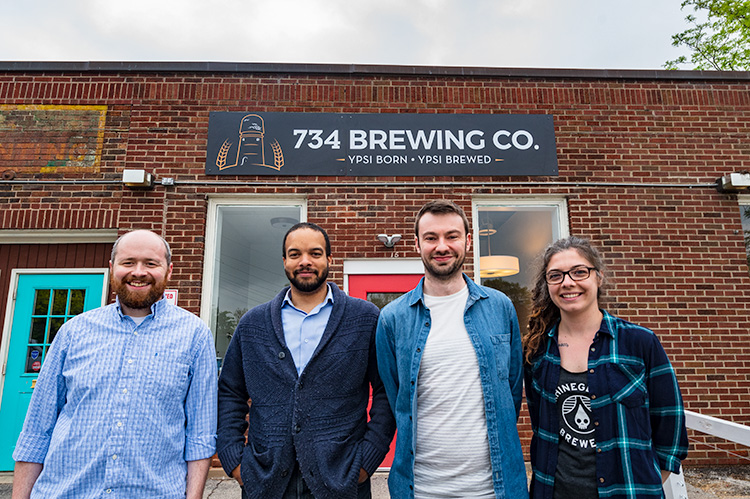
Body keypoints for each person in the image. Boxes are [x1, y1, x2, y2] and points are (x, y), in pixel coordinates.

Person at [12, 229, 217, 499]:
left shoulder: (195, 335)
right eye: (128, 262)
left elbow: (200, 435)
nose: (139, 271)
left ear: (168, 271)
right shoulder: (73, 332)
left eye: (151, 263)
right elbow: (38, 428)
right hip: (66, 492)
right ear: (112, 268)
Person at [217, 222, 395, 499]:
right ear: (284, 261)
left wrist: (367, 458)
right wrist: (235, 461)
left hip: (343, 479)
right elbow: (230, 392)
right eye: (295, 254)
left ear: (329, 259)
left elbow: (387, 390)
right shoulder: (253, 324)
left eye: (315, 253)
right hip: (265, 480)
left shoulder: (364, 319)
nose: (305, 262)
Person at [376, 200, 528, 499]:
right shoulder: (392, 318)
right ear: (417, 243)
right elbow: (396, 398)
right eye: (431, 237)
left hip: (494, 488)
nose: (442, 246)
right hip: (422, 489)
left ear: (468, 241)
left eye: (452, 236)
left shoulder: (500, 307)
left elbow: (512, 389)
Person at [523, 236, 689, 499]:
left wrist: (643, 484)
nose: (568, 282)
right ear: (547, 285)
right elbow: (540, 423)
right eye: (555, 276)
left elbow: (670, 426)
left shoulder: (639, 342)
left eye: (579, 272)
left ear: (598, 277)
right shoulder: (537, 350)